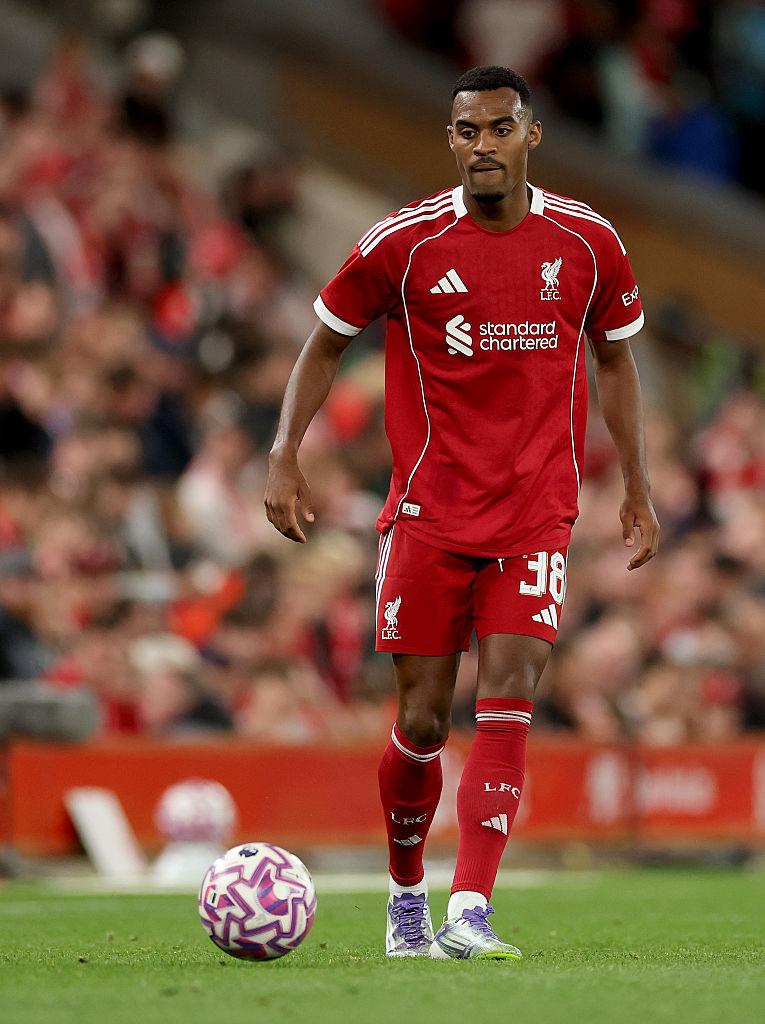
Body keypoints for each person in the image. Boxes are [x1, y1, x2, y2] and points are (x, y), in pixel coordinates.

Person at [264, 65, 660, 960]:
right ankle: (406, 898)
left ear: (530, 135)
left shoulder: (588, 242)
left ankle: (470, 909)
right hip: (428, 515)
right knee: (423, 723)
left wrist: (635, 484)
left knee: (509, 694)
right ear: (450, 140)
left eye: (498, 128)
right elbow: (324, 342)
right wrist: (284, 451)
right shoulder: (403, 242)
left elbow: (615, 361)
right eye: (466, 131)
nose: (482, 145)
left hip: (535, 513)